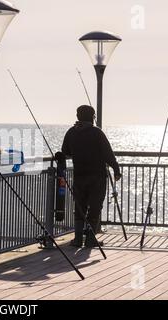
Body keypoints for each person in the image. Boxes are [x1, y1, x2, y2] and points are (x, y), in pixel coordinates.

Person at [61, 105, 121, 248]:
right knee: (95, 207)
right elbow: (108, 154)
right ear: (92, 117)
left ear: (78, 117)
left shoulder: (71, 132)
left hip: (79, 175)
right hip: (97, 177)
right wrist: (116, 170)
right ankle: (90, 239)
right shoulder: (97, 133)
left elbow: (65, 151)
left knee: (80, 207)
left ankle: (77, 239)